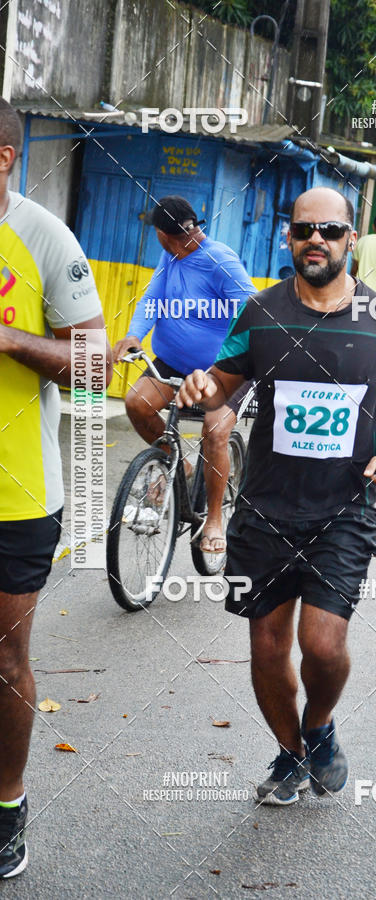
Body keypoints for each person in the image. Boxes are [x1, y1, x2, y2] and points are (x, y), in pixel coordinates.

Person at [177, 187, 376, 805]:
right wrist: (196, 388)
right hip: (264, 510)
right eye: (302, 230)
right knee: (266, 648)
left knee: (322, 644)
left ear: (350, 239)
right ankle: (291, 756)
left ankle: (319, 725)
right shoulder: (262, 312)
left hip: (343, 510)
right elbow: (223, 386)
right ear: (288, 239)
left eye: (330, 230)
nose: (315, 239)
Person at [0, 99, 112, 877]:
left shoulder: (42, 236)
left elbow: (97, 365)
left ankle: (7, 803)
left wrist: (7, 337)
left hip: (15, 494)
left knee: (5, 664)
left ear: (2, 160)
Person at [112, 196, 255, 553]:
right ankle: (182, 467)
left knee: (214, 432)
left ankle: (215, 520)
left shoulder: (219, 260)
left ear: (165, 233)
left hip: (222, 371)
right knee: (137, 404)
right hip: (171, 362)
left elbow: (254, 312)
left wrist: (224, 365)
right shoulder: (170, 255)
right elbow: (152, 298)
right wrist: (135, 334)